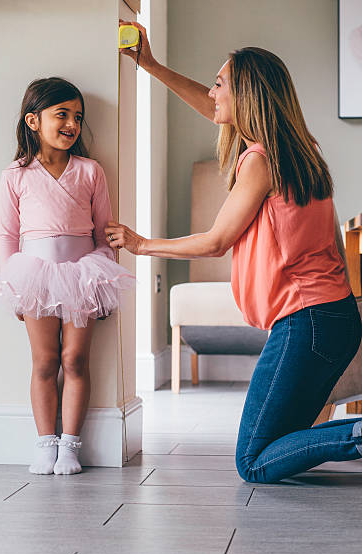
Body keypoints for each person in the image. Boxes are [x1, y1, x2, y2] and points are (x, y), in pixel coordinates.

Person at [106, 23, 362, 484]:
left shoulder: (260, 160)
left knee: (254, 460)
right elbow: (212, 107)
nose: (212, 92)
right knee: (284, 438)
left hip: (307, 323)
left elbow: (216, 240)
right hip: (332, 319)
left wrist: (141, 244)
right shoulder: (299, 150)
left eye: (220, 83)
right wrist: (150, 65)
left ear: (246, 96)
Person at [0, 77, 135, 475]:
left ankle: (70, 445)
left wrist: (100, 281)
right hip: (33, 276)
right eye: (62, 114)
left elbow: (104, 232)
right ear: (33, 121)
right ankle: (44, 444)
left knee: (75, 359)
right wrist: (12, 287)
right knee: (44, 361)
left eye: (77, 117)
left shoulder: (90, 171)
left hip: (83, 275)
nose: (72, 123)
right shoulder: (15, 175)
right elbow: (8, 235)